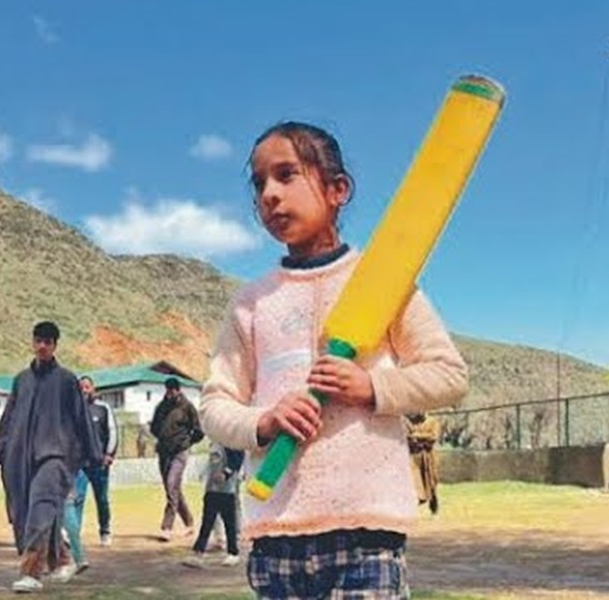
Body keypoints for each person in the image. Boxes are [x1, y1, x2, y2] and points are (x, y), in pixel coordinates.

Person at [198, 122, 469, 598]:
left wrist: (372, 388)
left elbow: (449, 376)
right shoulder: (251, 303)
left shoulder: (386, 284)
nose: (269, 195)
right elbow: (215, 406)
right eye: (259, 184)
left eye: (286, 175)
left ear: (337, 189)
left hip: (367, 532)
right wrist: (264, 422)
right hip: (276, 538)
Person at [0, 321, 102, 593]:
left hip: (56, 456)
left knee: (40, 507)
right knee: (30, 511)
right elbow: (8, 419)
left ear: (55, 346)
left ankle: (30, 572)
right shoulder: (21, 381)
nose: (42, 346)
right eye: (38, 340)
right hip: (23, 458)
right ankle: (63, 559)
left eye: (47, 342)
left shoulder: (66, 380)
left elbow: (81, 418)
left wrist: (93, 454)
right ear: (32, 342)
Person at [150, 377, 204, 541]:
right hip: (164, 452)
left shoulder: (187, 407)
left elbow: (199, 431)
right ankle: (189, 522)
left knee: (172, 483)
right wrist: (162, 439)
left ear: (178, 390)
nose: (170, 393)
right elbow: (154, 427)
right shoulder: (161, 407)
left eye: (173, 390)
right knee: (171, 489)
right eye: (167, 390)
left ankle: (167, 527)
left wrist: (186, 443)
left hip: (180, 452)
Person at [182, 441, 244, 569]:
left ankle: (233, 553)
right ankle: (198, 553)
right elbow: (211, 463)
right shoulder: (214, 444)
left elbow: (238, 459)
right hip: (211, 489)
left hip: (226, 490)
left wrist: (225, 473)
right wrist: (204, 475)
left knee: (229, 523)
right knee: (207, 522)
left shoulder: (230, 442)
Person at [73, 376, 118, 547]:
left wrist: (108, 454)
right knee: (77, 499)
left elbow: (112, 432)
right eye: (81, 387)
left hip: (99, 464)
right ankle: (74, 533)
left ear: (93, 388)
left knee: (102, 499)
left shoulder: (103, 408)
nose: (84, 390)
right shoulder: (73, 409)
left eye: (87, 387)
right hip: (79, 465)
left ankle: (105, 530)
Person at [405, 412, 442, 515]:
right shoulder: (410, 423)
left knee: (431, 481)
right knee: (415, 481)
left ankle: (433, 503)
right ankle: (418, 500)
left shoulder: (432, 422)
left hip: (429, 457)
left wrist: (418, 436)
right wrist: (415, 439)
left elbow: (433, 437)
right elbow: (407, 436)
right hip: (414, 457)